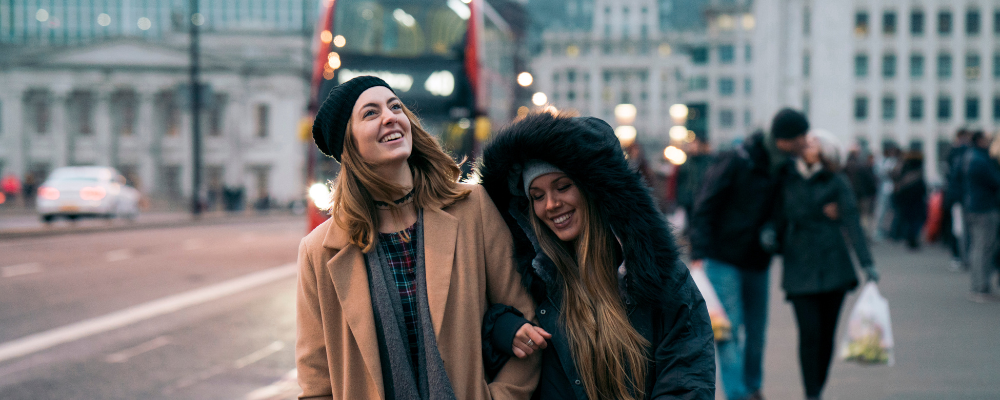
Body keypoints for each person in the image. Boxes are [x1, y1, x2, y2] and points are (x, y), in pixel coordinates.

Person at [295, 76, 540, 399]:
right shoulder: (318, 251)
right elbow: (316, 382)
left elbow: (526, 321)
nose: (390, 117)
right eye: (371, 113)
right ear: (348, 144)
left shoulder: (473, 209)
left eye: (395, 107)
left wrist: (500, 396)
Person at [478, 113, 716, 400]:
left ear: (595, 189)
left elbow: (687, 379)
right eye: (537, 196)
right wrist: (504, 329)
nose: (551, 204)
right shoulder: (536, 280)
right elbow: (479, 344)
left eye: (563, 186)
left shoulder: (661, 279)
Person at [689, 108, 809, 400]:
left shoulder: (786, 168)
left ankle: (753, 387)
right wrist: (699, 253)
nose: (806, 142)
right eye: (802, 137)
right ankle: (739, 395)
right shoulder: (738, 159)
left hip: (757, 261)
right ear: (785, 138)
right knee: (728, 331)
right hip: (722, 258)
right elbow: (706, 203)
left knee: (757, 333)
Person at [777, 132, 878, 400]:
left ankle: (817, 390)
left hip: (834, 267)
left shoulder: (836, 180)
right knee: (809, 334)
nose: (806, 145)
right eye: (805, 142)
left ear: (825, 151)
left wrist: (867, 263)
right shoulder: (786, 177)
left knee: (826, 336)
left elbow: (853, 220)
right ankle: (811, 393)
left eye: (814, 143)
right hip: (799, 267)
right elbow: (778, 214)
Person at [961, 131, 1000, 302]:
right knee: (984, 248)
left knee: (978, 247)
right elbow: (995, 181)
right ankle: (981, 286)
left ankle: (978, 285)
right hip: (984, 207)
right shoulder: (980, 159)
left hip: (974, 206)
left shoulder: (969, 156)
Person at [944, 129, 972, 271]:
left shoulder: (955, 154)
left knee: (959, 228)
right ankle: (959, 256)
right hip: (961, 198)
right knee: (959, 229)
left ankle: (959, 256)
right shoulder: (963, 154)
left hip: (959, 197)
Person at [675, 136, 714, 236]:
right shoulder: (687, 162)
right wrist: (681, 197)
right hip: (689, 198)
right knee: (690, 222)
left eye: (695, 144)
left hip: (701, 197)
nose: (692, 147)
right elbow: (681, 181)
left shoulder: (707, 161)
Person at [893, 149, 928, 250]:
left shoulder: (904, 169)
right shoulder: (917, 172)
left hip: (907, 200)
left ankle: (909, 238)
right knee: (915, 220)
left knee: (909, 221)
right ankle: (912, 239)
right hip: (916, 200)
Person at [873, 145, 901, 241]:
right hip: (885, 189)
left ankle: (891, 232)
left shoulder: (894, 161)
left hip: (892, 189)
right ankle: (881, 231)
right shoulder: (884, 161)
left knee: (891, 212)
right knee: (882, 211)